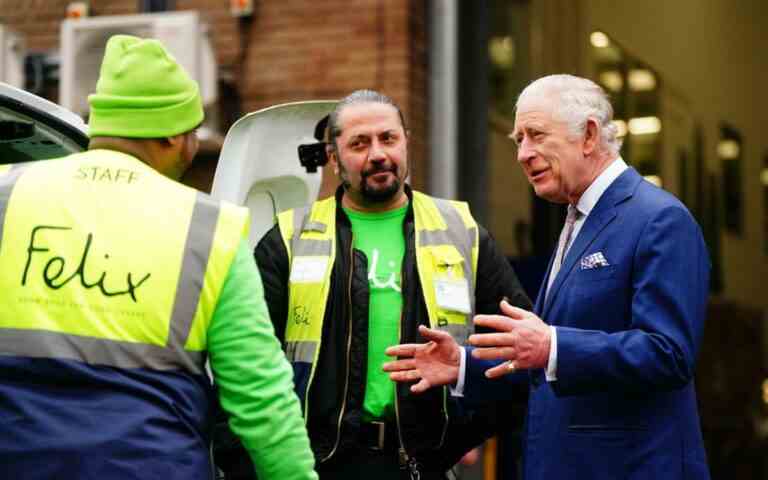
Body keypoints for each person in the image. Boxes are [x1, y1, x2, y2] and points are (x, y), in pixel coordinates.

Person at [0, 35, 316, 480]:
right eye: (193, 131)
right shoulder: (210, 228)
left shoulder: (7, 192)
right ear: (173, 133)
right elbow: (262, 398)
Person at [384, 74, 711, 479]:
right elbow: (548, 366)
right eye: (518, 140)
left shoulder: (660, 219)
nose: (523, 153)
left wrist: (552, 345)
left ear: (589, 135)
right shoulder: (576, 222)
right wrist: (464, 365)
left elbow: (668, 353)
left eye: (536, 135)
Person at [253, 89, 531, 479]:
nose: (378, 154)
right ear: (333, 158)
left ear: (406, 142)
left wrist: (466, 429)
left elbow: (519, 349)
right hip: (316, 464)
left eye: (388, 138)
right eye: (359, 143)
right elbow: (250, 360)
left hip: (424, 463)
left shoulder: (460, 232)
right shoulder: (289, 237)